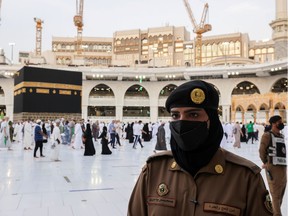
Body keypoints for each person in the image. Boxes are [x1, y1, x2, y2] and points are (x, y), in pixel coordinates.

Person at [128, 80, 273, 215]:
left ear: (212, 120)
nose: (182, 121)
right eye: (175, 115)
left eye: (193, 114)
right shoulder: (154, 171)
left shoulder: (244, 177)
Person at [259, 115, 286, 216]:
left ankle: (274, 213)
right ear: (274, 124)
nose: (281, 123)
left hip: (283, 168)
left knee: (281, 194)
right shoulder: (267, 135)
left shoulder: (281, 136)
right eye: (279, 122)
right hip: (273, 168)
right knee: (275, 195)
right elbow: (262, 150)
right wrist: (265, 162)